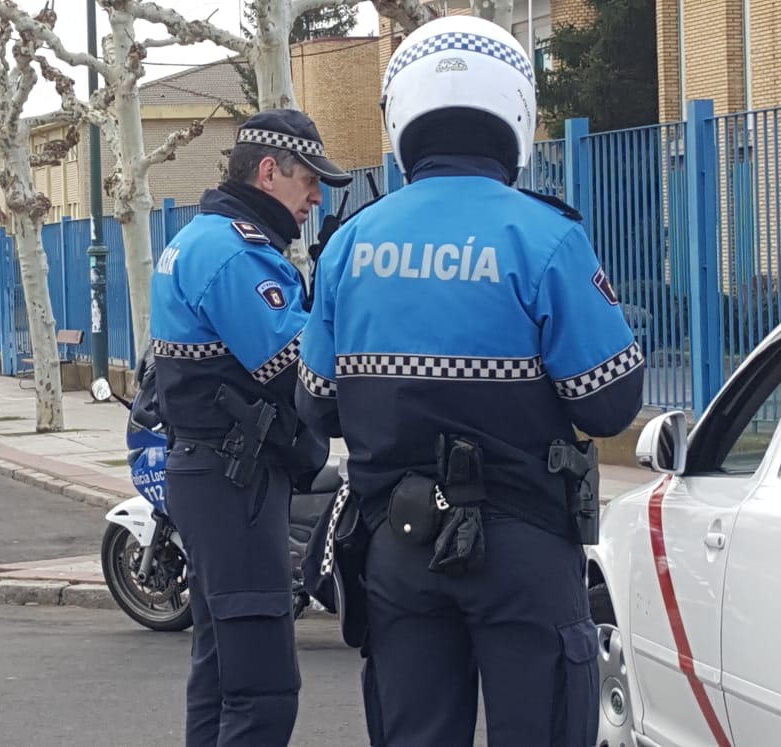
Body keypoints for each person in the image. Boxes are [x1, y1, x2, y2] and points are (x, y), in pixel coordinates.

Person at [295, 16, 646, 746]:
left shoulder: (351, 244)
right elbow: (611, 402)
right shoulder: (546, 236)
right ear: (516, 108)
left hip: (398, 542)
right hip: (524, 542)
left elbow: (316, 404)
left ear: (402, 117)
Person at [149, 108, 353, 746]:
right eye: (309, 179)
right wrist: (342, 297)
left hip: (218, 476)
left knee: (221, 676)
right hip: (234, 481)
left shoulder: (204, 237)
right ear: (270, 171)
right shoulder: (234, 252)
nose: (316, 196)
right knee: (263, 694)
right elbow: (299, 370)